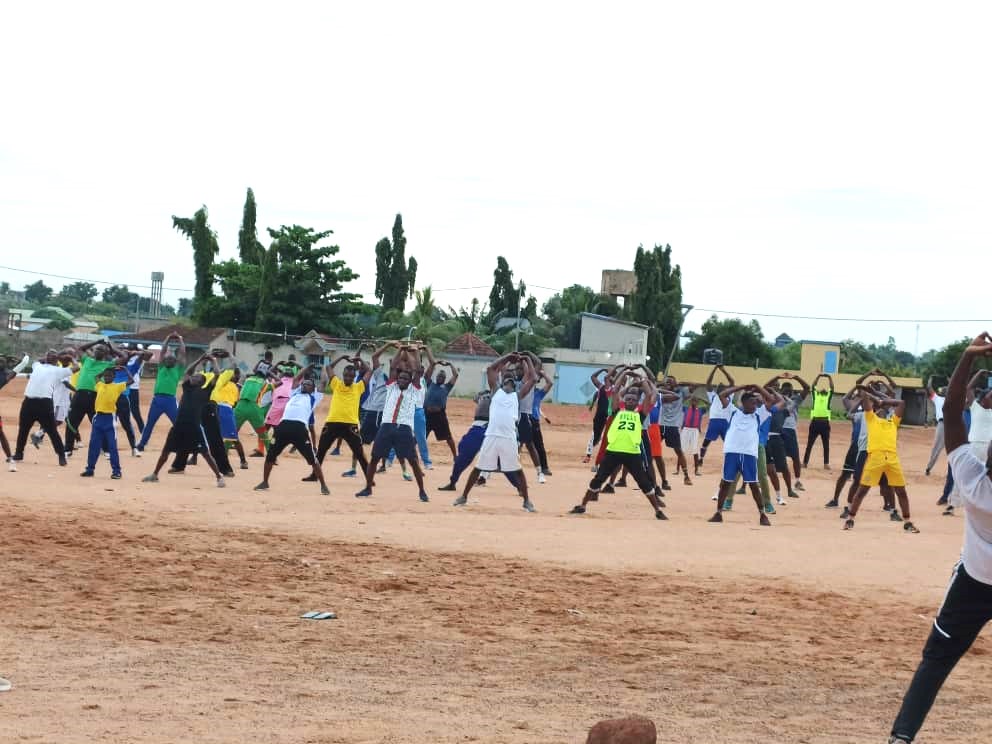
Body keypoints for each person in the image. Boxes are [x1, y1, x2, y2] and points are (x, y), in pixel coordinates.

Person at [887, 333, 992, 743]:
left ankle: (902, 737)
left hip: (973, 584)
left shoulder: (970, 480)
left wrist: (966, 357)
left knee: (936, 661)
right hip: (974, 581)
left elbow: (951, 413)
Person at [570, 370, 667, 520]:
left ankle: (657, 510)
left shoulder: (640, 414)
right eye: (627, 399)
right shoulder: (617, 411)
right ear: (624, 400)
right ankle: (582, 505)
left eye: (633, 400)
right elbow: (615, 390)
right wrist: (625, 373)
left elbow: (648, 396)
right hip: (613, 451)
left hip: (632, 453)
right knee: (598, 479)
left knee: (643, 482)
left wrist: (643, 381)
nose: (630, 401)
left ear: (636, 403)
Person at [453, 353, 537, 512]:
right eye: (507, 378)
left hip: (509, 437)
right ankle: (463, 496)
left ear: (515, 385)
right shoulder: (495, 391)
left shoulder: (517, 396)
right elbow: (491, 369)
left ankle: (526, 501)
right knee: (478, 467)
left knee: (517, 469)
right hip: (491, 436)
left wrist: (527, 360)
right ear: (502, 382)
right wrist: (508, 357)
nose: (510, 379)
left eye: (512, 379)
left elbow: (533, 378)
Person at [356, 345, 429, 502]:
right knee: (375, 457)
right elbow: (394, 365)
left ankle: (422, 491)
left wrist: (412, 352)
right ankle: (368, 487)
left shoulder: (414, 389)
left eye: (405, 378)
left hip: (404, 429)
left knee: (413, 461)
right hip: (386, 426)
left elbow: (415, 368)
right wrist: (401, 349)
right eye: (400, 377)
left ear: (410, 380)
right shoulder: (391, 386)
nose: (401, 380)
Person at [141, 354, 226, 487]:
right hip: (179, 426)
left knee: (206, 454)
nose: (193, 377)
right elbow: (188, 372)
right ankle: (155, 474)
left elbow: (217, 375)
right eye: (194, 376)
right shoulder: (187, 387)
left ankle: (219, 477)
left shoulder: (206, 391)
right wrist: (199, 359)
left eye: (197, 377)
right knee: (165, 451)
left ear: (202, 382)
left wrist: (213, 361)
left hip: (194, 427)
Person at [842, 385, 919, 533]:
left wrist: (883, 401)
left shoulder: (893, 421)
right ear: (876, 411)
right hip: (875, 458)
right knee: (862, 489)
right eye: (880, 409)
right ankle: (850, 518)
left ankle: (908, 522)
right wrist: (872, 396)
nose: (883, 410)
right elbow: (864, 396)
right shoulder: (871, 419)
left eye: (885, 409)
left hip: (892, 459)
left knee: (901, 491)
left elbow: (901, 403)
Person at [707, 384, 778, 526]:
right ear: (744, 403)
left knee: (753, 484)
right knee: (726, 483)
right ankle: (718, 513)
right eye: (752, 402)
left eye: (756, 402)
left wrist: (757, 387)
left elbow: (771, 400)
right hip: (732, 453)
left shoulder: (759, 414)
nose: (756, 404)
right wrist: (742, 387)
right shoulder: (733, 412)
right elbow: (722, 395)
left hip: (749, 454)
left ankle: (762, 514)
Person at [254, 365, 330, 495]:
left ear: (313, 389)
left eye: (308, 384)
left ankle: (323, 485)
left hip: (299, 428)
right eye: (304, 384)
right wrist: (307, 367)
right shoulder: (294, 393)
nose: (305, 385)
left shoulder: (314, 397)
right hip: (283, 426)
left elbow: (323, 382)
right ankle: (265, 481)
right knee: (271, 455)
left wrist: (323, 368)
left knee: (312, 459)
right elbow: (296, 378)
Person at [313, 354, 370, 477]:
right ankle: (314, 474)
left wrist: (359, 360)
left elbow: (369, 371)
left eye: (351, 376)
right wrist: (341, 357)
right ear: (343, 375)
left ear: (354, 377)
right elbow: (328, 367)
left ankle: (369, 477)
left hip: (350, 424)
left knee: (359, 452)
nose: (348, 378)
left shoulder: (358, 387)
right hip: (332, 422)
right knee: (321, 449)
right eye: (346, 375)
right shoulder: (336, 384)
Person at [12, 350, 72, 466]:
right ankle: (19, 453)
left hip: (44, 403)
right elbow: (37, 360)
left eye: (54, 356)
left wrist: (68, 358)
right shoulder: (37, 365)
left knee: (52, 431)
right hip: (29, 401)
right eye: (49, 355)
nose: (50, 357)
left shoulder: (59, 371)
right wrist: (46, 357)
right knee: (23, 429)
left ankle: (61, 455)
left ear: (57, 359)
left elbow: (75, 368)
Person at [63, 339, 118, 456]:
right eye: (97, 349)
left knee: (99, 424)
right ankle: (68, 449)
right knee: (71, 422)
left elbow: (123, 356)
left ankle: (106, 449)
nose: (98, 351)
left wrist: (110, 346)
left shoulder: (109, 365)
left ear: (106, 354)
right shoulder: (86, 360)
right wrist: (97, 341)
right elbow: (79, 349)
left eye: (101, 350)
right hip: (80, 395)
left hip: (96, 396)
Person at [81, 364, 133, 479]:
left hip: (110, 419)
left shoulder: (117, 386)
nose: (107, 377)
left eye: (110, 375)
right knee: (93, 445)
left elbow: (131, 380)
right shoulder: (100, 385)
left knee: (112, 446)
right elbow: (96, 378)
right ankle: (90, 469)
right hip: (98, 418)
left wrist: (125, 370)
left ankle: (116, 471)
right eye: (106, 376)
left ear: (114, 377)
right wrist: (105, 370)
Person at [136, 332, 186, 451]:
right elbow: (163, 350)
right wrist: (167, 338)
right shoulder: (161, 367)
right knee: (150, 424)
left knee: (178, 424)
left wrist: (180, 339)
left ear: (175, 362)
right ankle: (142, 444)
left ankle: (182, 444)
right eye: (166, 359)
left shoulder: (178, 369)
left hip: (170, 400)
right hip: (157, 400)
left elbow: (183, 353)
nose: (167, 360)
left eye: (170, 359)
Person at [423, 353, 459, 460]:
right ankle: (412, 454)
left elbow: (455, 375)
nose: (440, 377)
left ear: (444, 379)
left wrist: (450, 364)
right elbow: (427, 375)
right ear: (436, 377)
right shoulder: (429, 384)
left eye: (442, 377)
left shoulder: (447, 387)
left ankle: (455, 456)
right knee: (420, 436)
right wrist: (434, 364)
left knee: (448, 437)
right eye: (439, 376)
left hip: (440, 416)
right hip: (427, 415)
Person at [659, 376, 692, 486]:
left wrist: (682, 383)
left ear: (675, 383)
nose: (668, 383)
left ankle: (686, 476)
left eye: (671, 381)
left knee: (678, 451)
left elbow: (696, 386)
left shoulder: (681, 392)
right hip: (659, 424)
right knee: (650, 449)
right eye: (667, 381)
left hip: (672, 426)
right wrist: (662, 386)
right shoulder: (661, 393)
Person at [699, 364, 735, 466]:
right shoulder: (713, 396)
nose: (721, 386)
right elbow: (708, 382)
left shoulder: (729, 396)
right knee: (706, 441)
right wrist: (714, 369)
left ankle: (731, 460)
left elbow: (732, 382)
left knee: (729, 443)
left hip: (725, 422)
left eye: (723, 386)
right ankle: (701, 458)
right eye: (719, 386)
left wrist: (723, 370)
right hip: (714, 421)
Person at [780, 374, 811, 490]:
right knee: (771, 456)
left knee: (795, 457)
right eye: (785, 388)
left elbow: (807, 388)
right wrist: (778, 377)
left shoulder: (795, 399)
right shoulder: (776, 398)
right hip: (778, 430)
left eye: (789, 389)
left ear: (792, 391)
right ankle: (759, 478)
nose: (787, 390)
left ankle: (797, 481)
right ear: (780, 389)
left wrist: (796, 377)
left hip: (790, 430)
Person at [0, 354, 30, 470]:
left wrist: (23, 360)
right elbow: (18, 369)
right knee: (1, 435)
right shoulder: (4, 377)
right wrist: (25, 358)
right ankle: (11, 460)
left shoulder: (3, 377)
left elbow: (17, 369)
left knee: (1, 434)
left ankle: (11, 460)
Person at [803, 373, 834, 470]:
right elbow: (813, 386)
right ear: (819, 391)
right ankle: (805, 462)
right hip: (815, 422)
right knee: (810, 443)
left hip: (825, 423)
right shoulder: (815, 396)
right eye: (822, 389)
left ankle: (826, 463)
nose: (824, 389)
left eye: (826, 389)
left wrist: (829, 377)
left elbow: (832, 387)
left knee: (826, 444)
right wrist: (818, 376)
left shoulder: (828, 397)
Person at [584, 367, 615, 463]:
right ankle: (588, 455)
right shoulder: (601, 387)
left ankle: (604, 458)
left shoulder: (616, 389)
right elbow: (593, 377)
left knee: (609, 437)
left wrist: (613, 372)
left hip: (610, 416)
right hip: (599, 416)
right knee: (595, 437)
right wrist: (602, 369)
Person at [530, 370, 553, 481]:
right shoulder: (522, 390)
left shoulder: (538, 393)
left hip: (534, 420)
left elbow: (550, 383)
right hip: (522, 419)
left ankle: (544, 467)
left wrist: (543, 373)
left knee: (539, 446)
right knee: (515, 444)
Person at [925, 375, 947, 476]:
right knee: (937, 447)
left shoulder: (951, 399)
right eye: (943, 389)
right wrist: (930, 380)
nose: (944, 390)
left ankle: (951, 472)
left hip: (951, 424)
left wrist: (950, 380)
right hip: (942, 424)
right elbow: (929, 388)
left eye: (946, 389)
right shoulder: (937, 398)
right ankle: (929, 467)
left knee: (954, 447)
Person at [680, 395, 704, 478]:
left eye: (695, 401)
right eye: (692, 401)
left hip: (695, 430)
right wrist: (688, 398)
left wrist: (700, 399)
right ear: (690, 402)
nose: (694, 402)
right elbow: (681, 402)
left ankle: (696, 470)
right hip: (686, 430)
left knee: (695, 450)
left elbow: (708, 404)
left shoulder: (701, 410)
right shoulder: (686, 408)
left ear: (697, 403)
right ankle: (678, 469)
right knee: (681, 450)